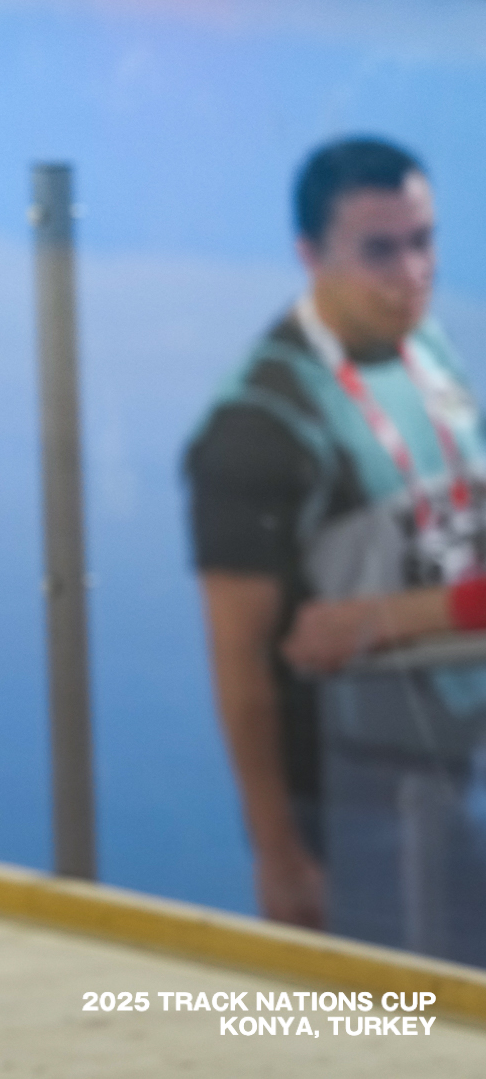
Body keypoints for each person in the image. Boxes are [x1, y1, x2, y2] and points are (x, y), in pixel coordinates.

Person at [185, 136, 486, 930]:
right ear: (310, 254)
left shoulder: (426, 346)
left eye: (424, 241)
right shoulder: (258, 427)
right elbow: (238, 655)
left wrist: (380, 618)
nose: (412, 272)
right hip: (357, 797)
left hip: (458, 762)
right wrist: (279, 853)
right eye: (380, 251)